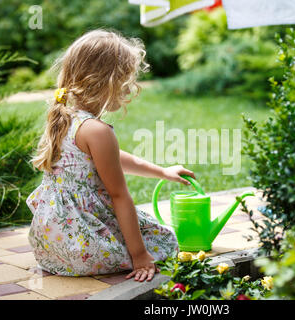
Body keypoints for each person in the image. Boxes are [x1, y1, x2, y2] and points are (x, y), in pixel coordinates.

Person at [26, 29, 195, 282]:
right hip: (84, 246)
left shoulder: (64, 117)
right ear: (105, 80)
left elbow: (112, 159)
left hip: (51, 246)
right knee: (164, 241)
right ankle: (126, 254)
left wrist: (162, 172)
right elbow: (119, 196)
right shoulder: (97, 130)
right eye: (126, 81)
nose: (131, 89)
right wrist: (140, 255)